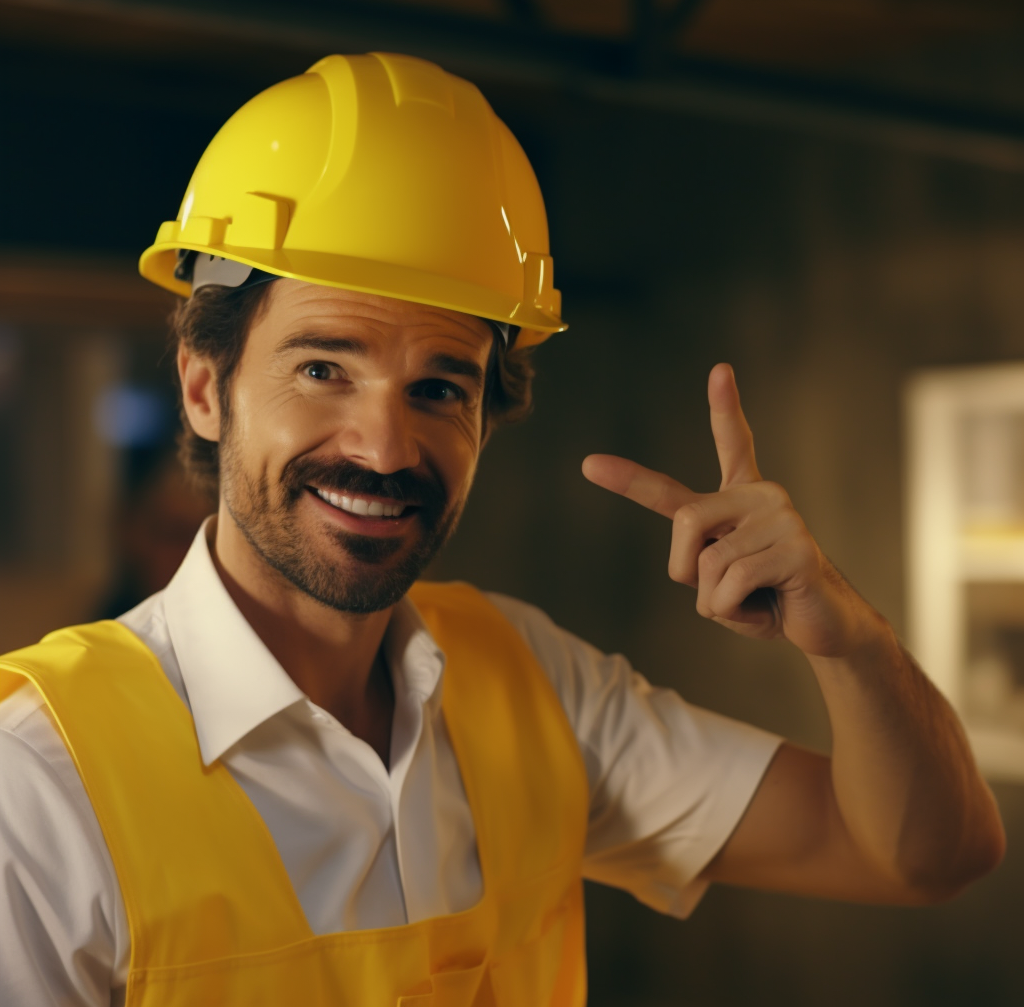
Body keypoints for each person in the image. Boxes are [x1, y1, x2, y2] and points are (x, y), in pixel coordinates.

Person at [0, 53, 1004, 1007]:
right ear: (206, 389)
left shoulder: (532, 686)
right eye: (323, 368)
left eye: (439, 386)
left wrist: (852, 644)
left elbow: (926, 853)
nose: (386, 447)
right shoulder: (38, 784)